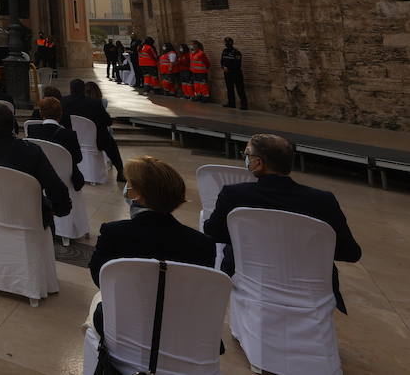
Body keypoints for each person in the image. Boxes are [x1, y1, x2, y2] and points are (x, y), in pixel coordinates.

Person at [204, 133, 361, 313]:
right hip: (309, 291)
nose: (246, 159)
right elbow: (351, 253)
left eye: (247, 155)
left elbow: (213, 232)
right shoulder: (323, 201)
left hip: (254, 281)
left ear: (258, 163)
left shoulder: (234, 195)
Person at [87, 156, 215, 333]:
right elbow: (199, 292)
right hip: (180, 329)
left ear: (137, 194)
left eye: (129, 183)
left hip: (124, 326)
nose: (126, 187)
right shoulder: (203, 245)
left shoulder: (114, 233)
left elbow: (100, 278)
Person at [0, 101, 71, 227]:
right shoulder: (31, 151)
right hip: (31, 221)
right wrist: (57, 209)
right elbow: (57, 191)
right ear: (12, 125)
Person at [62, 77, 126, 183]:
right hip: (95, 141)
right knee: (110, 143)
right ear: (83, 89)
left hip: (71, 140)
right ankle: (120, 171)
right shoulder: (95, 103)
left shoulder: (63, 102)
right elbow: (108, 122)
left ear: (71, 89)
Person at [24, 96, 84, 190]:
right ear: (60, 113)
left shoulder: (32, 130)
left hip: (41, 176)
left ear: (41, 113)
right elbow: (78, 158)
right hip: (64, 176)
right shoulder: (69, 135)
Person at [221, 37, 248, 110]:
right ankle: (231, 103)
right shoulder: (225, 51)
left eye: (228, 42)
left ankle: (244, 104)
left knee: (240, 89)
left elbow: (238, 64)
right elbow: (222, 61)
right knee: (229, 88)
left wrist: (229, 68)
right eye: (226, 42)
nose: (227, 44)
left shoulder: (236, 52)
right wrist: (223, 67)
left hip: (236, 73)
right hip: (227, 73)